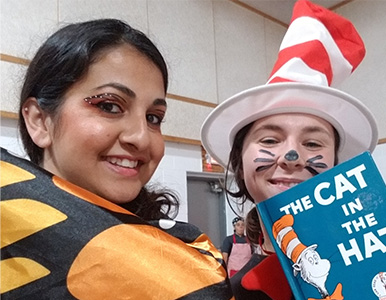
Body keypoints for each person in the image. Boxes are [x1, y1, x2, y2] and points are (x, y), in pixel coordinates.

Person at [1, 19, 232, 299]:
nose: (141, 137)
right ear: (39, 121)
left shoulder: (189, 260)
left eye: (153, 118)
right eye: (109, 106)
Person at [201, 0, 378, 299]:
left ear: (337, 165)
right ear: (240, 165)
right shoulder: (228, 293)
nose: (291, 157)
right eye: (270, 140)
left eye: (312, 143)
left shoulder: (384, 263)